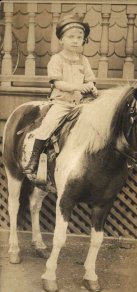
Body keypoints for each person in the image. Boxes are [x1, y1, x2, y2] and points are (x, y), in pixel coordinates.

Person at [24, 14, 98, 174]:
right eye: (70, 37)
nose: (75, 40)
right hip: (62, 103)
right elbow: (58, 83)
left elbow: (91, 79)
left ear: (84, 40)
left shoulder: (84, 60)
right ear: (61, 40)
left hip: (80, 104)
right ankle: (34, 160)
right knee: (47, 125)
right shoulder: (57, 59)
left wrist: (91, 87)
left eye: (79, 37)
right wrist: (78, 86)